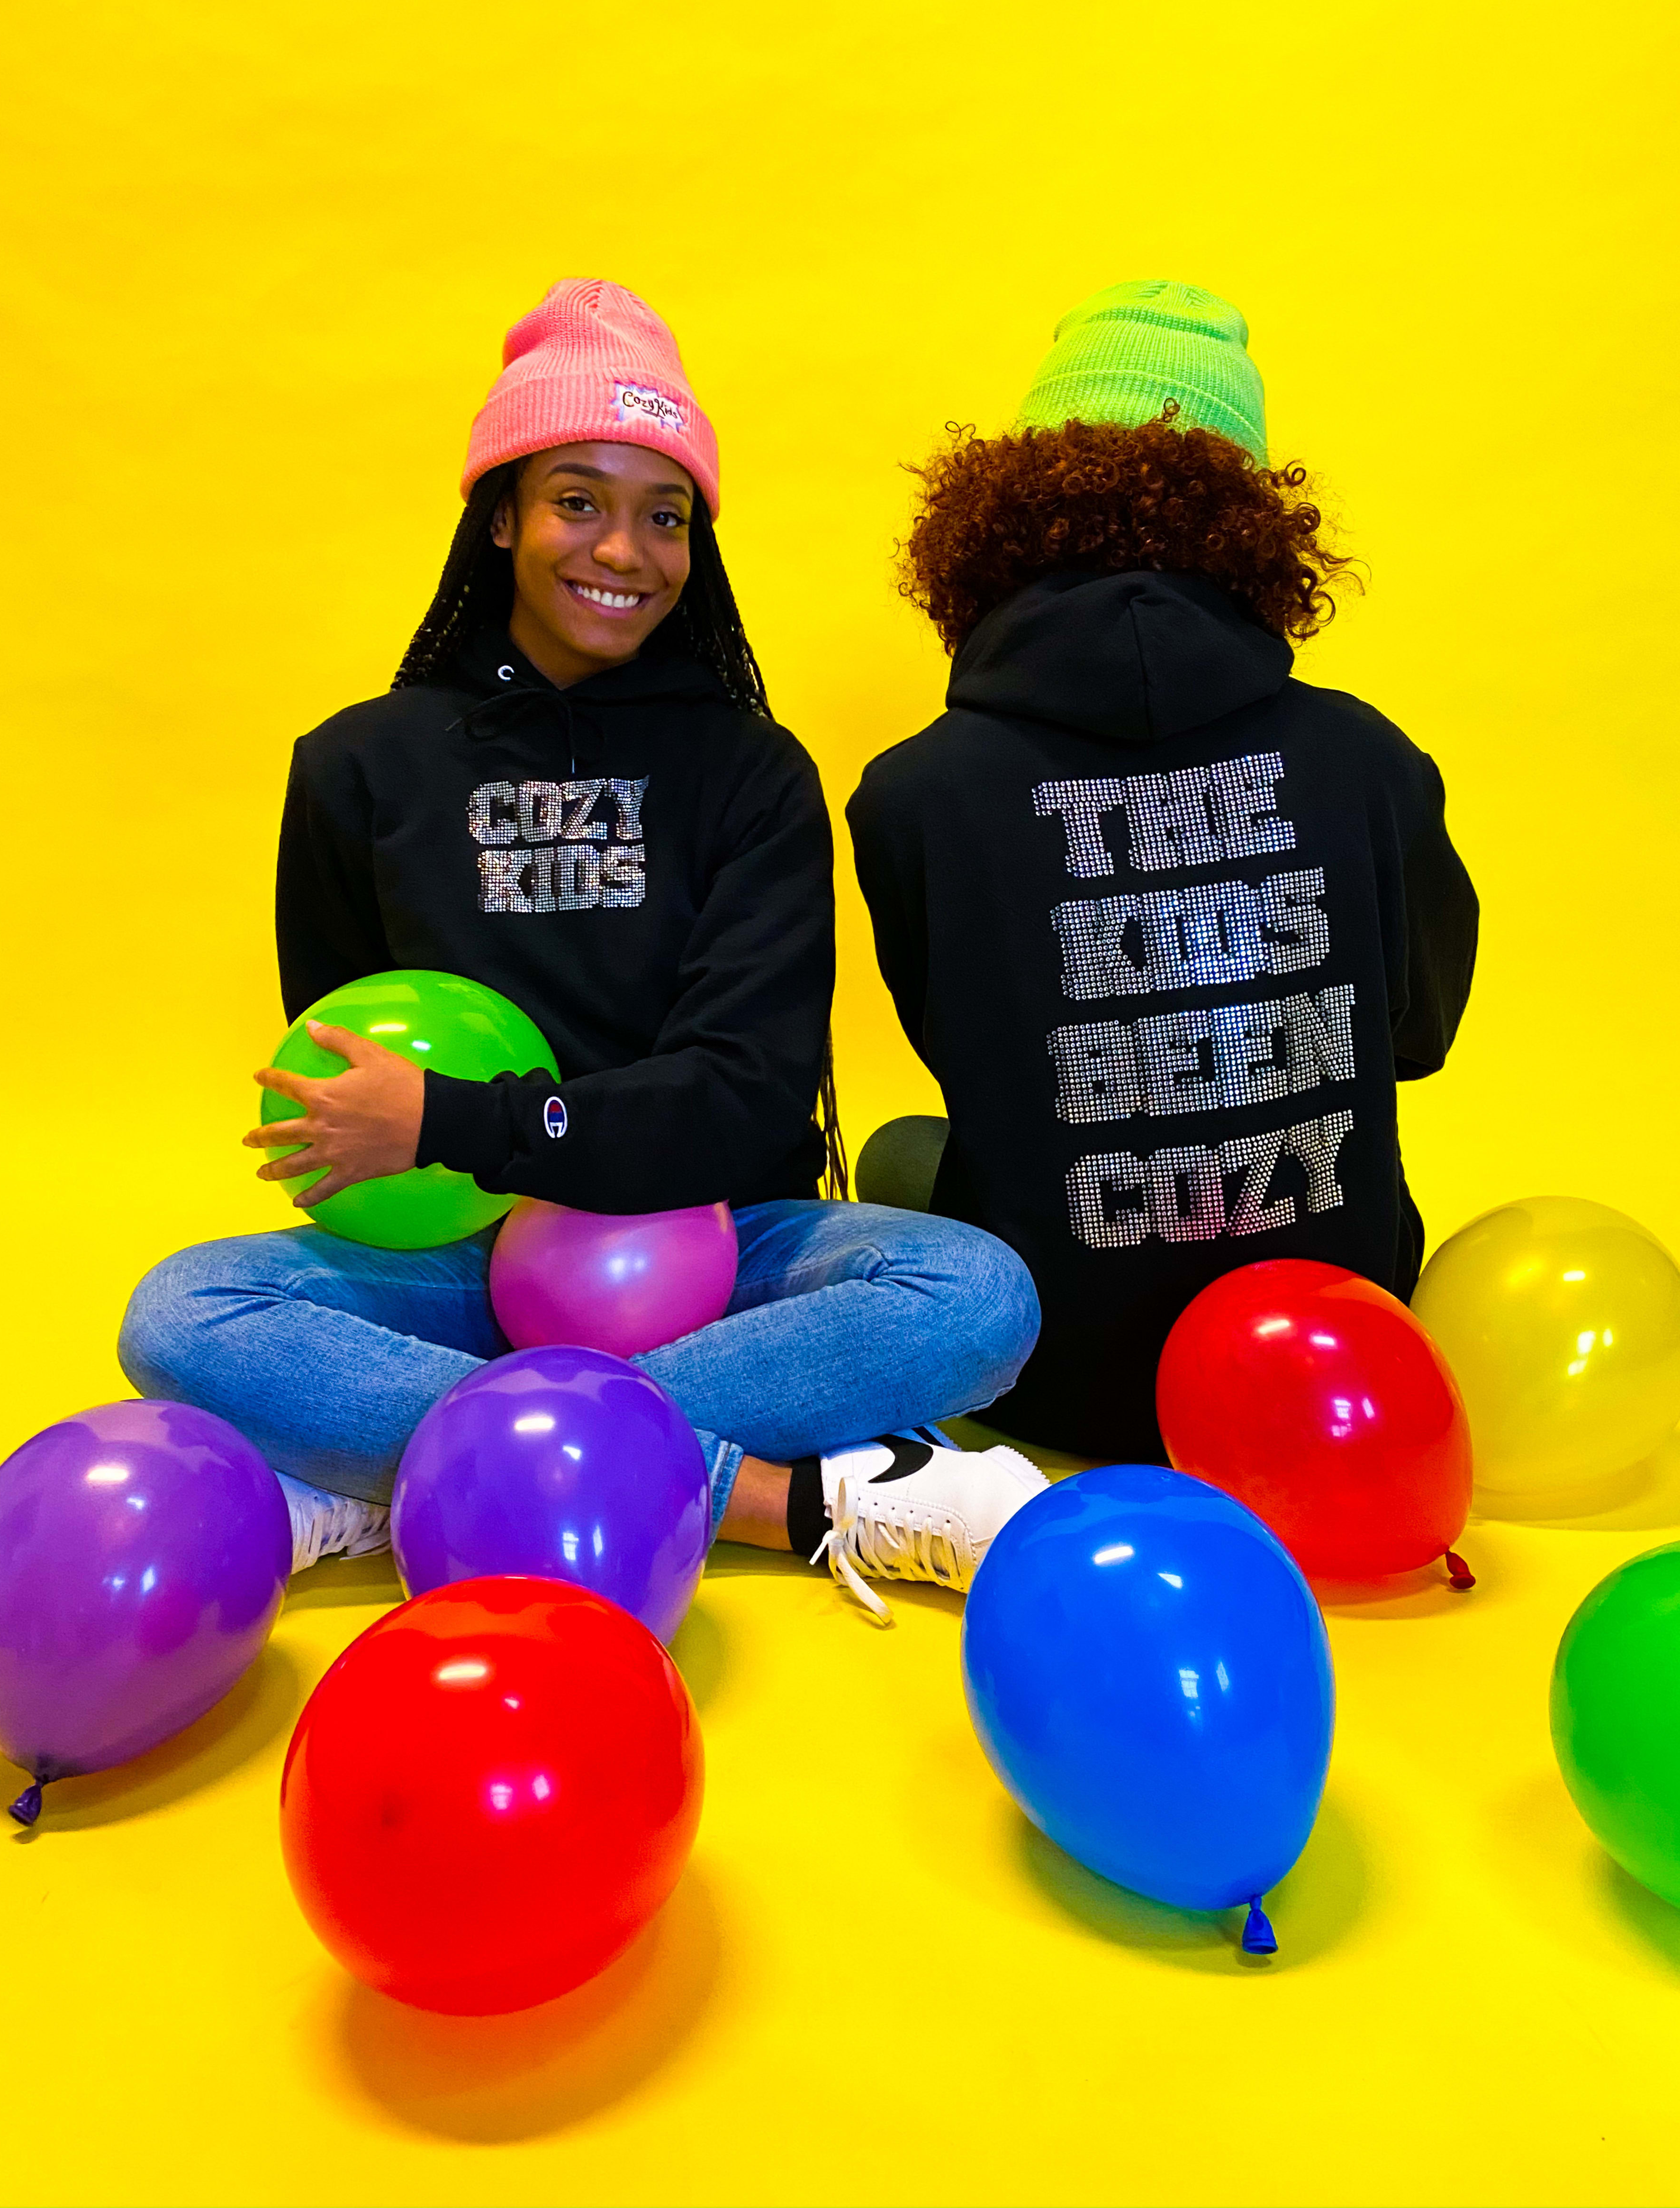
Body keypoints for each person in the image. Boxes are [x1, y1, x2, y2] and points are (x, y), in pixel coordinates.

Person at [120, 278, 1044, 1624]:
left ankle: (401, 1476)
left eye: (664, 515)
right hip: (471, 1259)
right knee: (182, 1316)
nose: (625, 548)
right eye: (577, 500)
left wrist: (450, 1116)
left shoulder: (754, 775)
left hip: (731, 1254)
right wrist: (431, 1144)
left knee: (978, 1294)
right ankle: (795, 1500)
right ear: (500, 516)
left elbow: (748, 1092)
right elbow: (343, 1078)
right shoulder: (358, 769)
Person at [848, 279, 1478, 1464]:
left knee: (901, 1152)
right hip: (1328, 1362)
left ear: (1007, 503)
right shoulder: (1369, 756)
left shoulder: (911, 792)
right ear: (1250, 518)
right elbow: (1418, 1035)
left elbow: (972, 1052)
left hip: (1057, 1381)